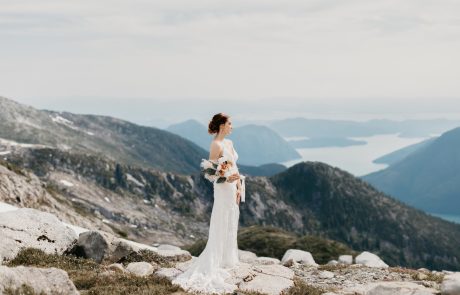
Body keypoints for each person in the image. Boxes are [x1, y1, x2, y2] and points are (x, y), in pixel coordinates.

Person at [171, 113, 243, 294]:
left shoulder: (230, 143)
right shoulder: (216, 145)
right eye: (229, 123)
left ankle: (228, 258)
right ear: (221, 126)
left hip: (234, 186)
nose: (232, 126)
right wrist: (227, 178)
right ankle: (215, 260)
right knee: (221, 218)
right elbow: (211, 173)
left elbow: (234, 166)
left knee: (231, 218)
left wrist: (239, 185)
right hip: (223, 188)